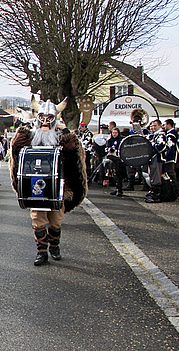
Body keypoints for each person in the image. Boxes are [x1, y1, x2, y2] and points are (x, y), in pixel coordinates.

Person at [10, 99, 87, 266]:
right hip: (35, 185)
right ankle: (42, 252)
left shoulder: (60, 137)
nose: (45, 121)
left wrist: (65, 130)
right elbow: (17, 146)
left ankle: (55, 246)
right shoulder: (31, 136)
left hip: (58, 185)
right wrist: (25, 130)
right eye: (42, 117)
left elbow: (73, 148)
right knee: (38, 220)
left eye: (49, 118)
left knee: (56, 221)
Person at [145, 119, 168, 203]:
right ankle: (153, 192)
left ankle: (156, 195)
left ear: (159, 126)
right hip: (151, 158)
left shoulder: (161, 135)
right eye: (151, 126)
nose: (153, 127)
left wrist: (151, 145)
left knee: (156, 176)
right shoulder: (152, 135)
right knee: (151, 175)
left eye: (155, 126)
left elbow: (162, 146)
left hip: (157, 158)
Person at [105, 128, 126, 196]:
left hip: (118, 159)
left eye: (116, 133)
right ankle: (117, 188)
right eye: (113, 133)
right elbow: (107, 149)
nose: (114, 134)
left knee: (118, 174)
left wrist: (115, 150)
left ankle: (119, 189)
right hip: (112, 158)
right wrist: (109, 149)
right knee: (113, 174)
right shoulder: (110, 140)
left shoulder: (121, 140)